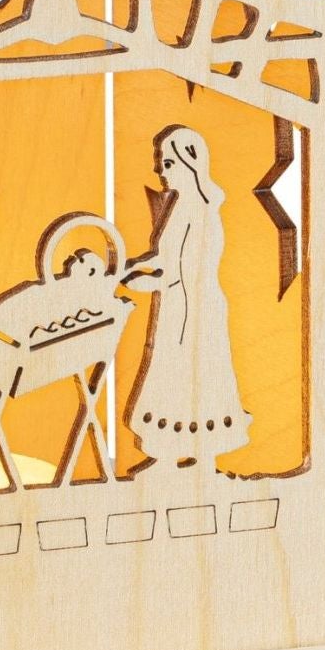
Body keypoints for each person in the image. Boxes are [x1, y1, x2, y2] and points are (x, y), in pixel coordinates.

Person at [123, 126, 249, 469]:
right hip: (178, 306)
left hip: (195, 310)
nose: (159, 171)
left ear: (190, 162)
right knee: (171, 377)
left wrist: (141, 283)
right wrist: (130, 267)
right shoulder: (181, 206)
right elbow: (163, 257)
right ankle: (168, 455)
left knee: (193, 377)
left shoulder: (202, 210)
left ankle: (201, 459)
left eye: (167, 163)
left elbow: (182, 270)